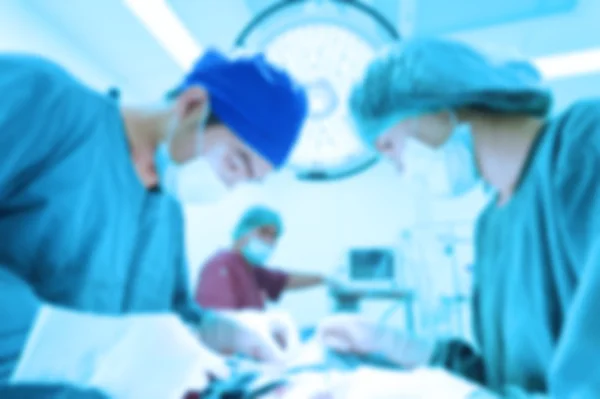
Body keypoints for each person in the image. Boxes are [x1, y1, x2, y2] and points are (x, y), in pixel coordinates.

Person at [0, 48, 308, 395]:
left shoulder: (168, 212)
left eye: (243, 181)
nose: (226, 185)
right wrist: (93, 346)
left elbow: (170, 316)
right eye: (236, 164)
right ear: (192, 105)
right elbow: (126, 344)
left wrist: (223, 329)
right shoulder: (44, 100)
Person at [318, 37, 600, 398]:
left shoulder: (584, 145)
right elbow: (503, 382)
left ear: (435, 110)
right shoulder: (491, 227)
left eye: (388, 146)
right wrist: (403, 348)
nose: (397, 168)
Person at [196, 205, 327, 311]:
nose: (269, 241)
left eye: (274, 237)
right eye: (264, 232)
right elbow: (218, 323)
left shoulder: (250, 270)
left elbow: (284, 280)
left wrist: (325, 279)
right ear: (243, 230)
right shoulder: (221, 267)